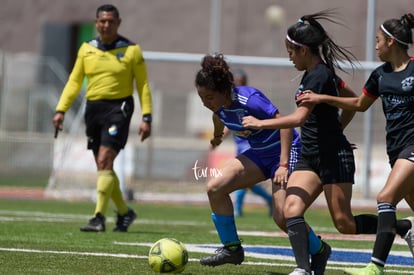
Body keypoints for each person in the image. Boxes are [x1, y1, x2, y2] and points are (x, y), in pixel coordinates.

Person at [242, 10, 379, 275]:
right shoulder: (314, 75)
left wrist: (260, 124)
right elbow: (349, 99)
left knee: (344, 223)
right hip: (310, 155)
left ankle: (399, 227)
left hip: (333, 156)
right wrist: (337, 126)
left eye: (291, 52)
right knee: (290, 210)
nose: (289, 57)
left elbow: (299, 117)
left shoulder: (320, 76)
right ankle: (303, 269)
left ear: (303, 50)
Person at [297, 13, 414, 275]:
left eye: (378, 40)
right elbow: (360, 105)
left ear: (392, 42)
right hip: (396, 150)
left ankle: (375, 267)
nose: (375, 46)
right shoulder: (380, 75)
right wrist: (324, 98)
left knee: (385, 198)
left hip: (413, 147)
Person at [52, 4, 152, 233]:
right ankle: (125, 213)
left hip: (119, 108)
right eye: (102, 21)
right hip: (94, 109)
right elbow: (74, 81)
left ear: (118, 23)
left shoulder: (131, 50)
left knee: (106, 158)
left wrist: (147, 117)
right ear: (96, 23)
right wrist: (61, 110)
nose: (106, 25)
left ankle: (98, 217)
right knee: (102, 165)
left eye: (110, 21)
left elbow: (143, 85)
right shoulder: (86, 49)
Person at [228, 69, 273, 217]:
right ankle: (269, 199)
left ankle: (237, 209)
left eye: (241, 81)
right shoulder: (230, 103)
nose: (238, 84)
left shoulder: (247, 101)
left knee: (241, 178)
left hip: (249, 145)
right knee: (248, 183)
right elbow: (230, 124)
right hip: (239, 145)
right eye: (236, 81)